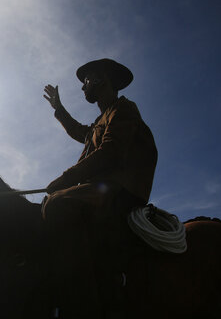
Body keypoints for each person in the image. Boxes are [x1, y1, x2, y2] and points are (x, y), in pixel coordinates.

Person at [42, 58, 157, 317]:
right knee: (52, 203)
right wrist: (59, 109)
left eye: (86, 80)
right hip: (104, 190)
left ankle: (83, 303)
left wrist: (64, 180)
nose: (83, 88)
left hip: (120, 190)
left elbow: (111, 152)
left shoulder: (124, 109)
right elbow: (80, 132)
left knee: (58, 203)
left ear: (102, 79)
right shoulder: (101, 120)